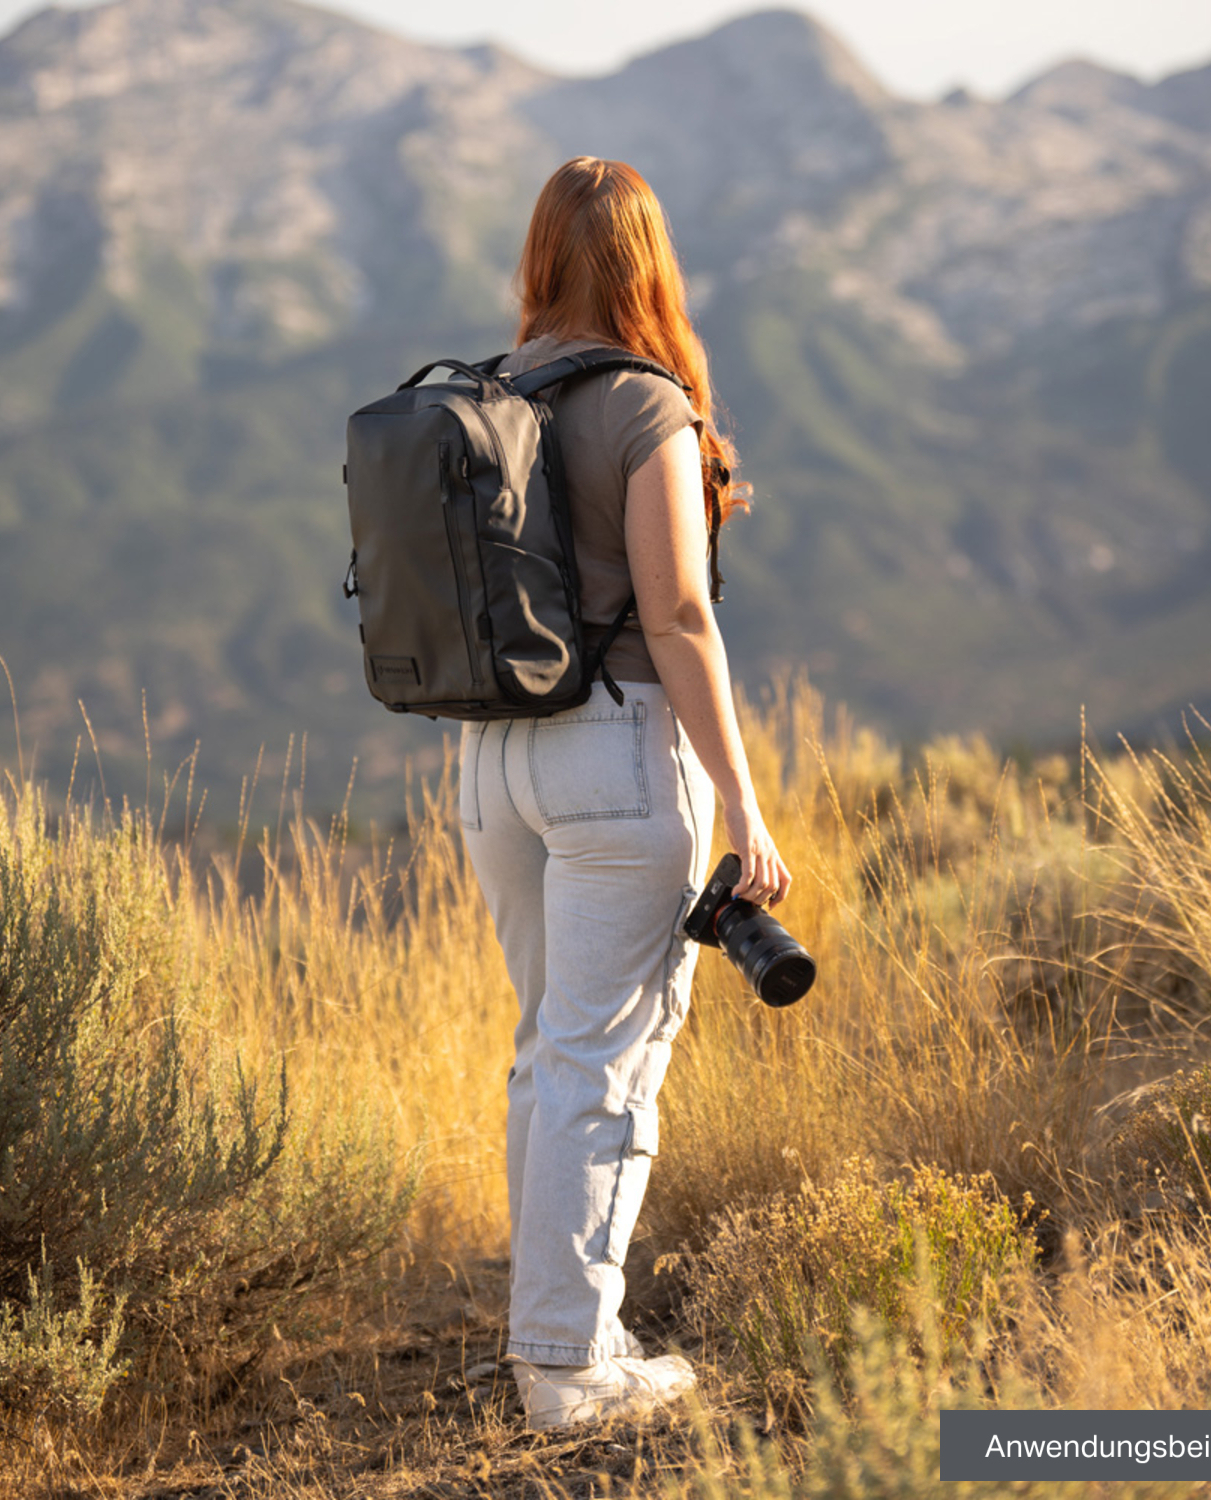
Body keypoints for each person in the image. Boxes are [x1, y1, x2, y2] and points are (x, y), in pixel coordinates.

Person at [458, 157, 792, 1432]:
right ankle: (568, 1368)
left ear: (542, 255)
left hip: (494, 763)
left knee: (553, 1048)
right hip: (615, 753)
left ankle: (553, 1337)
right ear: (651, 261)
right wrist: (744, 806)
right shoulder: (646, 404)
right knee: (607, 1061)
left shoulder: (494, 394)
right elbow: (681, 616)